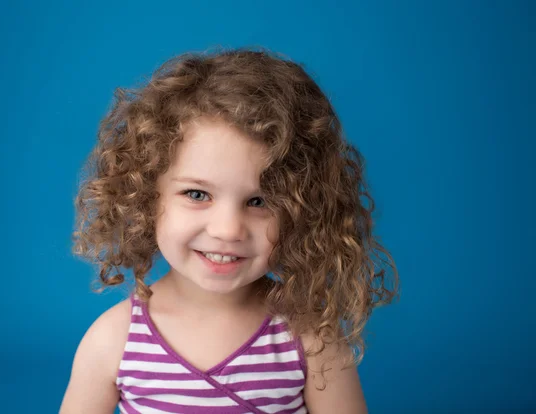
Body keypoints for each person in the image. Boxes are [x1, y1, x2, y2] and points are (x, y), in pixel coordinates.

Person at [59, 47, 398, 414]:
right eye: (197, 194)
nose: (227, 229)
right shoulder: (115, 341)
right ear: (145, 199)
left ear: (302, 213)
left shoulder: (311, 337)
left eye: (259, 201)